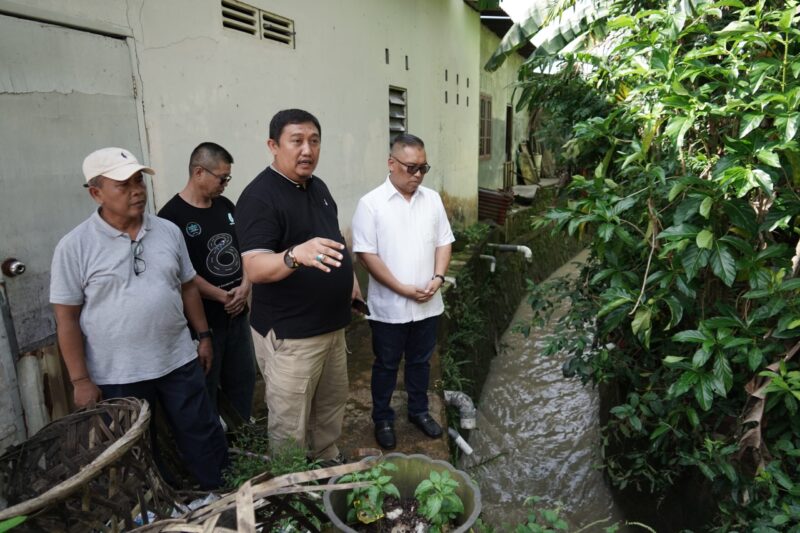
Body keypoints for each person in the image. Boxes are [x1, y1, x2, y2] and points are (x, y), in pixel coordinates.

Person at [50, 147, 229, 489]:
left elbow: (188, 287)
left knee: (202, 433)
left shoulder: (167, 231)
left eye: (138, 181)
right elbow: (67, 319)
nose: (137, 190)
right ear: (96, 192)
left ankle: (219, 493)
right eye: (123, 184)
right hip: (118, 373)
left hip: (177, 359)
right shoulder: (74, 247)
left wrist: (203, 337)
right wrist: (80, 381)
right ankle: (152, 511)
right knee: (133, 450)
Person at [235, 109, 362, 464]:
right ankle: (289, 488)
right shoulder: (260, 197)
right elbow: (255, 266)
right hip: (291, 335)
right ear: (273, 146)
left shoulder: (317, 187)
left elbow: (334, 239)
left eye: (314, 141)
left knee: (332, 403)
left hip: (331, 326)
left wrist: (349, 281)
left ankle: (325, 461)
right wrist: (293, 255)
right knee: (290, 421)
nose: (307, 150)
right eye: (297, 141)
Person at [351, 133, 454, 450]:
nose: (418, 175)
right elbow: (366, 256)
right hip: (390, 307)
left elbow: (444, 242)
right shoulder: (371, 204)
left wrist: (438, 277)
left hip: (427, 303)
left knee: (421, 362)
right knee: (386, 363)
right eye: (411, 168)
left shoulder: (432, 199)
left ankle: (419, 412)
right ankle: (382, 418)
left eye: (424, 168)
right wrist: (402, 289)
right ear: (391, 164)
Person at [158, 142, 256, 421]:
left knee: (243, 376)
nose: (225, 184)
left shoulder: (225, 205)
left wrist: (246, 285)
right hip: (204, 319)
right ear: (199, 172)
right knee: (207, 383)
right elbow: (181, 274)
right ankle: (216, 443)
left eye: (228, 178)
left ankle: (242, 434)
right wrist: (221, 296)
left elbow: (246, 248)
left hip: (238, 311)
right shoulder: (170, 218)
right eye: (222, 178)